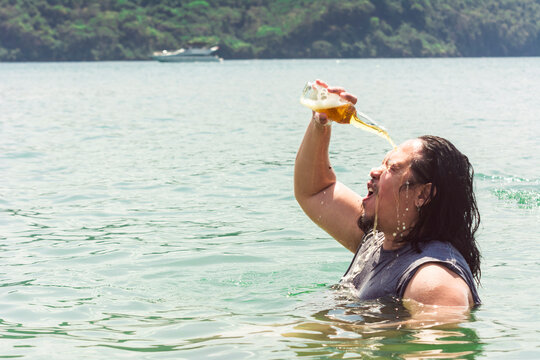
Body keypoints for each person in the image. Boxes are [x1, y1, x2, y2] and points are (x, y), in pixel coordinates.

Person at [294, 80, 481, 310]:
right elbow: (315, 191)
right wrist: (320, 122)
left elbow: (441, 342)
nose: (375, 171)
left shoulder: (433, 278)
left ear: (423, 194)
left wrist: (352, 330)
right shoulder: (379, 239)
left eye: (392, 168)